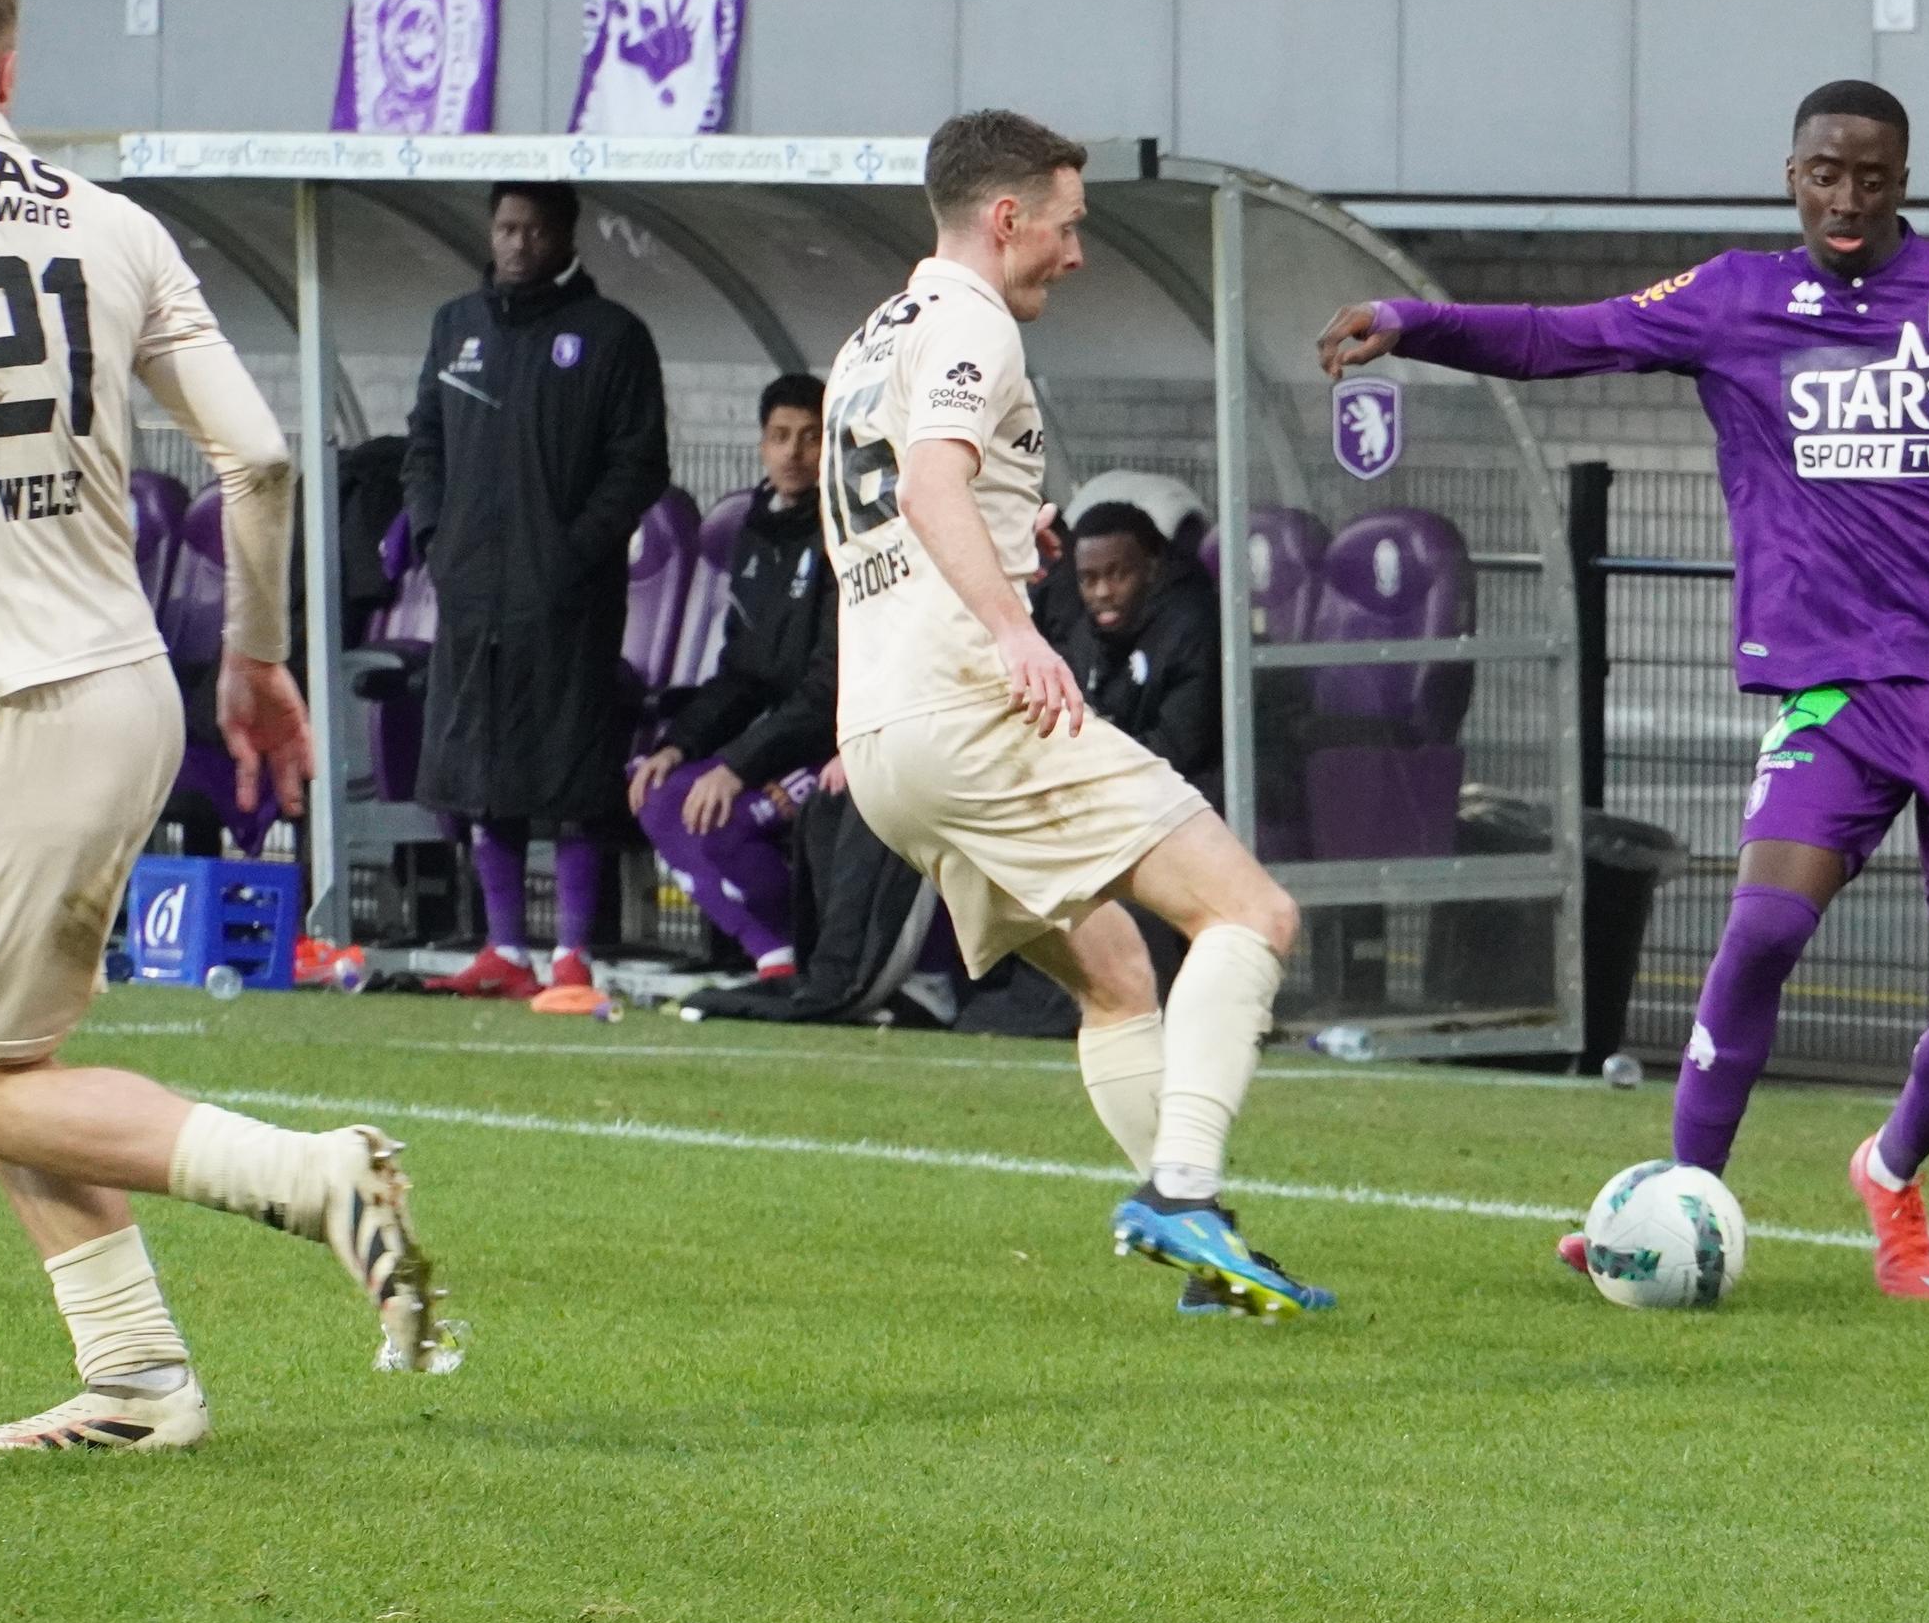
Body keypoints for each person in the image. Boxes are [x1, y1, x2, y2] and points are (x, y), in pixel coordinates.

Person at [1317, 80, 1929, 1302]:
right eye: (1823, 173)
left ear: (1905, 179)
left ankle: (1892, 1168)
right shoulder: (1734, 298)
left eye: (1871, 176)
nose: (1845, 198)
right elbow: (1556, 337)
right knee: (1763, 929)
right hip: (1834, 684)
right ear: (1790, 173)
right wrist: (1411, 320)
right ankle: (1676, 1208)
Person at [0, 0, 448, 1452]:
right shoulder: (116, 227)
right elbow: (257, 458)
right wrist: (253, 658)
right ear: (11, 68)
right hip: (129, 685)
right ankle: (135, 1378)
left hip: (8, 704)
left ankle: (313, 1177)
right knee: (10, 1065)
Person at [821, 109, 1332, 1316]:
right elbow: (938, 474)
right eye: (1067, 223)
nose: (1078, 249)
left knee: (1113, 977)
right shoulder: (969, 320)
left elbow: (906, 501)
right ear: (1007, 220)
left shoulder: (870, 336)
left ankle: (1202, 1246)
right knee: (1251, 913)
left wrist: (1015, 533)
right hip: (969, 712)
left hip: (882, 740)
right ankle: (1185, 1193)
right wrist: (1010, 626)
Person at [400, 180, 672, 1005]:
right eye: (505, 228)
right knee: (483, 769)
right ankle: (507, 947)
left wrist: (571, 554)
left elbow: (640, 466)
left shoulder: (612, 336)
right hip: (472, 590)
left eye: (532, 230)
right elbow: (424, 442)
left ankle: (573, 956)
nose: (516, 245)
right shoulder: (457, 327)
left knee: (571, 772)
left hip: (568, 598)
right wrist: (434, 541)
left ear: (564, 237)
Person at [628, 374, 833, 981]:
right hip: (776, 740)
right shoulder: (756, 534)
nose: (794, 453)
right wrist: (680, 744)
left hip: (833, 747)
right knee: (657, 792)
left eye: (811, 437)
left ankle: (815, 951)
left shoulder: (848, 536)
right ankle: (772, 955)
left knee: (723, 817)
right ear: (762, 445)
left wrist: (735, 767)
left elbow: (829, 687)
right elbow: (743, 671)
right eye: (780, 436)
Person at [1056, 502, 1218, 801]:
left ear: (1152, 567)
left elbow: (1177, 749)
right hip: (1118, 793)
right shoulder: (1084, 635)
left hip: (1188, 805)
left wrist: (1079, 768)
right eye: (1088, 579)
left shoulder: (1193, 629)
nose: (1102, 592)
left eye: (1117, 575)